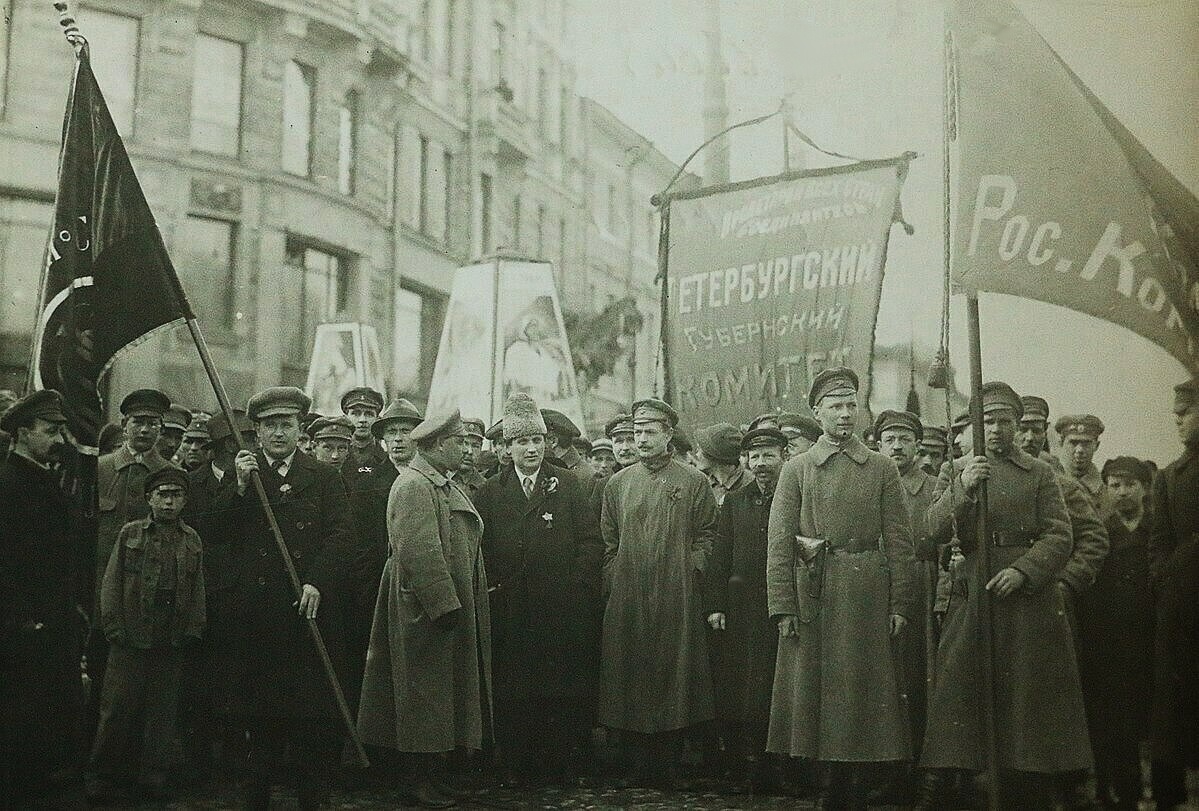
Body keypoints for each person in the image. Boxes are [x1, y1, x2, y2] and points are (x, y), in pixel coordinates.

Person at [919, 382, 1092, 809]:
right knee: (960, 689)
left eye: (1005, 421)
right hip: (973, 591)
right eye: (988, 421)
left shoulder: (1039, 473)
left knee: (1026, 695)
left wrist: (1024, 570)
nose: (996, 429)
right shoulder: (956, 469)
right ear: (974, 425)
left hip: (1026, 603)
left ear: (1018, 426)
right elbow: (930, 532)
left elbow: (1060, 533)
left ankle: (1026, 787)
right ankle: (951, 785)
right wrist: (963, 485)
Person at [766, 368, 917, 808]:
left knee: (861, 691)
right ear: (818, 412)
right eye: (836, 406)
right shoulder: (796, 470)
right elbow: (779, 543)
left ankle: (855, 782)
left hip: (868, 594)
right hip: (816, 593)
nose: (846, 414)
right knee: (816, 693)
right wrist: (783, 606)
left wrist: (901, 602)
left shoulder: (881, 467)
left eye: (852, 404)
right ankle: (825, 784)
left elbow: (900, 540)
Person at [214, 386, 355, 810]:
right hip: (261, 620)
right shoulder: (246, 476)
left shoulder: (324, 476)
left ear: (300, 431)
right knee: (261, 725)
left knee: (313, 723)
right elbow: (219, 533)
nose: (279, 433)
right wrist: (238, 487)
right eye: (270, 425)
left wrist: (317, 581)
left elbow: (341, 534)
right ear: (257, 433)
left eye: (287, 425)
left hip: (308, 614)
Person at [357, 409, 492, 810]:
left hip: (440, 606)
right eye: (457, 443)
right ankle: (415, 781)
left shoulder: (440, 483)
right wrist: (443, 604)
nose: (465, 451)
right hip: (422, 609)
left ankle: (433, 776)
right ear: (434, 446)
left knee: (438, 695)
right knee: (421, 696)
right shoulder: (415, 486)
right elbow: (418, 551)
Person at [474, 394, 602, 783]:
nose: (531, 449)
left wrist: (574, 587)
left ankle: (556, 763)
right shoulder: (491, 492)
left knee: (558, 686)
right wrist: (495, 588)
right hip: (511, 609)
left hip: (559, 610)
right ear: (507, 447)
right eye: (522, 442)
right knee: (514, 686)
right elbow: (482, 547)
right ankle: (515, 763)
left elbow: (591, 542)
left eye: (537, 440)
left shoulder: (567, 484)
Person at [598, 398, 717, 788]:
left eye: (650, 432)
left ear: (668, 435)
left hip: (676, 593)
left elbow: (707, 535)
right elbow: (609, 539)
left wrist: (690, 568)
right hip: (629, 594)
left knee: (673, 673)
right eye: (637, 432)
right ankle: (636, 765)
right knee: (629, 672)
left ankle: (669, 763)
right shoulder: (618, 483)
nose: (642, 439)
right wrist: (616, 576)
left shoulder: (693, 482)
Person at [87, 466, 206, 803]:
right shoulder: (130, 534)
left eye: (176, 495)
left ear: (184, 500)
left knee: (162, 713)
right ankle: (102, 775)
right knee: (117, 710)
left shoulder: (191, 539)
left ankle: (152, 776)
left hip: (171, 637)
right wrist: (113, 626)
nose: (169, 502)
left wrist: (194, 628)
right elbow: (110, 582)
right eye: (162, 495)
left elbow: (198, 588)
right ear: (150, 498)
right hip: (131, 635)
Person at [0, 390, 84, 805]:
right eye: (50, 431)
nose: (58, 440)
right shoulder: (9, 485)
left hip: (52, 625)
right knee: (21, 729)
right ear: (22, 432)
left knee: (44, 728)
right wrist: (20, 619)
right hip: (23, 631)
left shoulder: (44, 482)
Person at [705, 427, 789, 792]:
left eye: (768, 455)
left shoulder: (793, 495)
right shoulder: (737, 501)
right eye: (754, 457)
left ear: (783, 456)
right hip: (742, 610)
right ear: (745, 461)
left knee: (778, 686)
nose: (761, 463)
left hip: (782, 606)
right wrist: (715, 605)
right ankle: (750, 764)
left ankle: (781, 767)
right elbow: (721, 556)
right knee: (743, 689)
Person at [178, 408, 256, 784]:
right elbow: (209, 528)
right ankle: (198, 758)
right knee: (202, 677)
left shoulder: (260, 480)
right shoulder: (192, 483)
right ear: (220, 448)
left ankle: (233, 755)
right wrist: (237, 488)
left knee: (238, 675)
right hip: (205, 590)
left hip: (243, 592)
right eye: (236, 443)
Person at [92, 389, 176, 731]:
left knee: (141, 687)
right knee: (98, 672)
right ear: (124, 425)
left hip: (148, 597)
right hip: (100, 591)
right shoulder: (100, 470)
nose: (145, 431)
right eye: (138, 423)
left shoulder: (171, 475)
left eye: (153, 424)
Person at [1075, 456, 1154, 808]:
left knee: (1145, 713)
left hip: (1149, 634)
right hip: (1108, 637)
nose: (1122, 492)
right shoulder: (1102, 531)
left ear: (1145, 488)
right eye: (1114, 485)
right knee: (1110, 716)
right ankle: (1112, 788)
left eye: (1130, 484)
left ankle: (1151, 784)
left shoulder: (1156, 529)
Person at [875, 409, 937, 790]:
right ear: (878, 445)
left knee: (916, 682)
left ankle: (920, 771)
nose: (897, 447)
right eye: (889, 440)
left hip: (919, 589)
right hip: (876, 590)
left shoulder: (931, 488)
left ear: (917, 446)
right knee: (884, 684)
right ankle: (889, 771)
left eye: (904, 440)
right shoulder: (873, 482)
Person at [1147, 378, 1199, 809]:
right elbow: (1158, 543)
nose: (1178, 421)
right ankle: (1169, 797)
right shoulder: (1169, 478)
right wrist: (1170, 578)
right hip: (1181, 610)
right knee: (1174, 708)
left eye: (1186, 413)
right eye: (1176, 414)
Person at [1054, 414, 1114, 519]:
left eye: (1086, 443)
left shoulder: (1109, 488)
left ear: (1096, 445)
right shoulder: (1050, 480)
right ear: (1061, 443)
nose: (1080, 450)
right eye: (1073, 443)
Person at [695, 422, 750, 507]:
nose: (697, 455)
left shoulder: (750, 485)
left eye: (700, 451)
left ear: (715, 457)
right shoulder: (703, 485)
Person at [340, 387, 387, 474]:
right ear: (345, 418)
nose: (362, 420)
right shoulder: (336, 458)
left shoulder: (387, 461)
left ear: (377, 419)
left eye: (369, 414)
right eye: (356, 413)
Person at [455, 418, 488, 494]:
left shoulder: (487, 487)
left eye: (475, 446)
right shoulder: (443, 480)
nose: (469, 451)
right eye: (465, 443)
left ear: (481, 448)